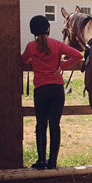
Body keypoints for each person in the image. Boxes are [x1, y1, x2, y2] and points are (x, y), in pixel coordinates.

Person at [22, 15, 83, 170]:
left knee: (41, 125)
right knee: (55, 126)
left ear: (33, 31)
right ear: (48, 29)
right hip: (56, 90)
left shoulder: (31, 47)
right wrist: (62, 65)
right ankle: (53, 162)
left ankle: (41, 161)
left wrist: (32, 61)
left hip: (41, 90)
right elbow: (78, 55)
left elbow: (23, 60)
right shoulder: (57, 45)